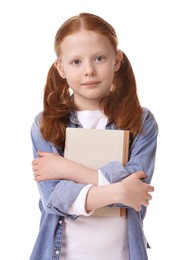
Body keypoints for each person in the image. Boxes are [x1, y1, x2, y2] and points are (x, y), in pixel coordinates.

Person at [30, 12, 158, 260]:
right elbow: (56, 200)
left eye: (99, 58)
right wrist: (120, 191)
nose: (89, 70)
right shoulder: (45, 124)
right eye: (76, 62)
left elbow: (137, 194)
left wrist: (66, 168)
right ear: (61, 68)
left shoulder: (141, 121)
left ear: (117, 61)